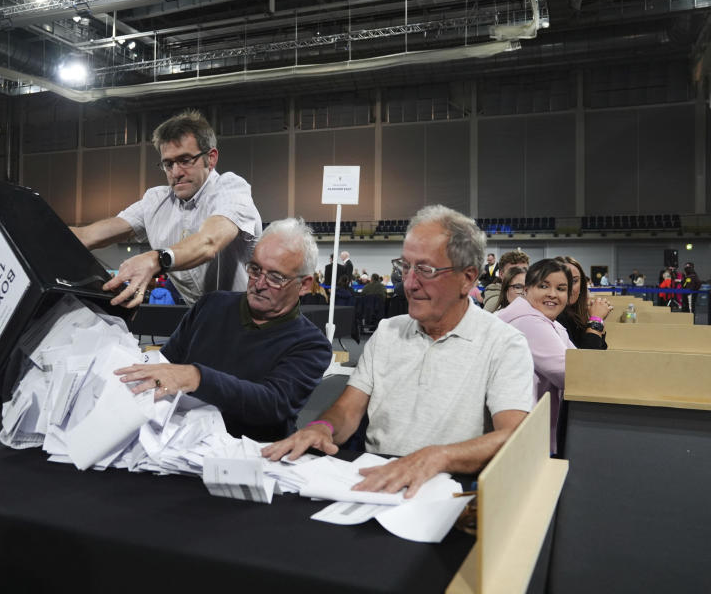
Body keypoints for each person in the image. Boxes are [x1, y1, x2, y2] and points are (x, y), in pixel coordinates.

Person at [263, 205, 533, 497]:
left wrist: (437, 456)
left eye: (425, 270)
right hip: (376, 482)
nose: (409, 283)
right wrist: (322, 427)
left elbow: (513, 437)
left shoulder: (505, 344)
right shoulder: (387, 331)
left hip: (448, 490)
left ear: (467, 278)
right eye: (406, 267)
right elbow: (347, 410)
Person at [114, 218, 331, 442]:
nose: (258, 283)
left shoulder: (312, 345)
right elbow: (166, 363)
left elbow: (272, 403)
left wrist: (197, 377)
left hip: (252, 454)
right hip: (179, 440)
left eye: (275, 277)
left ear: (304, 285)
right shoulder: (211, 305)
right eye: (255, 269)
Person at [71, 109, 261, 308]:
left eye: (185, 160)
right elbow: (88, 236)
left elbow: (209, 243)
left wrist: (157, 259)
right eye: (168, 164)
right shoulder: (156, 200)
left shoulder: (231, 189)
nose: (176, 172)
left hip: (251, 321)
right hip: (203, 320)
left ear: (211, 158)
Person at [496, 259, 575, 453]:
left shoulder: (551, 323)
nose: (553, 294)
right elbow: (570, 373)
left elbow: (579, 362)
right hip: (523, 436)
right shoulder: (528, 322)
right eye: (543, 286)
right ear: (527, 289)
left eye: (561, 288)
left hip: (533, 430)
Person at [557, 256, 611, 350]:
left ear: (582, 285)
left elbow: (601, 351)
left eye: (574, 281)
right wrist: (596, 321)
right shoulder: (555, 318)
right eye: (562, 281)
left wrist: (598, 321)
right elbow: (586, 359)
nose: (569, 287)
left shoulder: (577, 315)